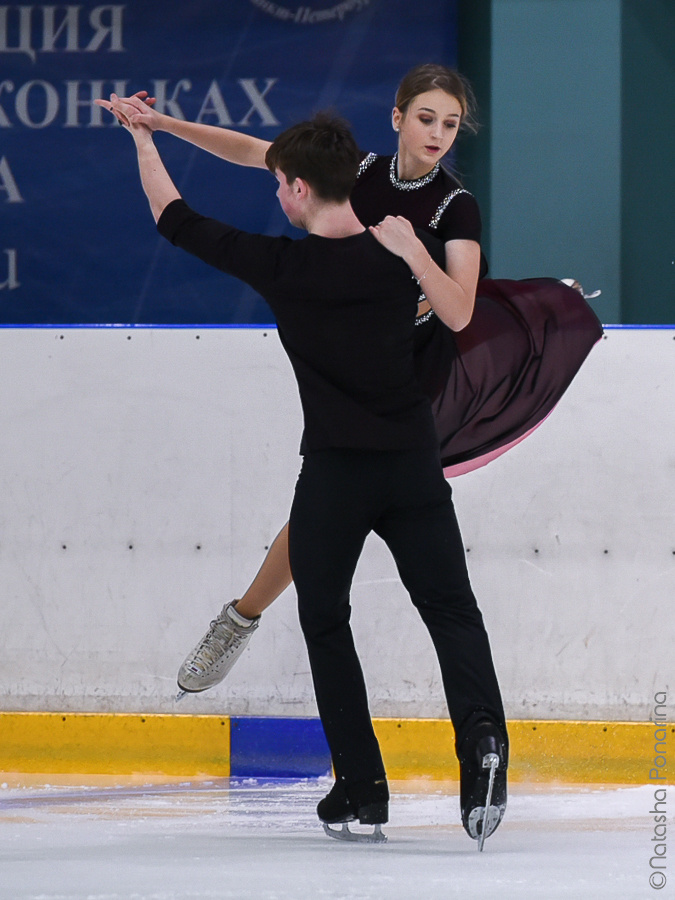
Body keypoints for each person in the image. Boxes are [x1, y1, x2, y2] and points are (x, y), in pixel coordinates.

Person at [98, 65, 602, 705]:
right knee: (324, 506)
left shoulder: (454, 205)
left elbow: (459, 310)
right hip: (347, 352)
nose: (438, 134)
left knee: (328, 506)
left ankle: (240, 618)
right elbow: (258, 153)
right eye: (426, 118)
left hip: (416, 366)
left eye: (450, 125)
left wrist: (415, 261)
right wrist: (162, 125)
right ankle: (241, 620)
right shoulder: (356, 172)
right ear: (397, 116)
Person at [105, 99, 509, 846]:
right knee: (452, 612)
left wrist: (144, 140)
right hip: (413, 466)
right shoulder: (405, 248)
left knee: (325, 620)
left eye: (279, 184)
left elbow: (174, 218)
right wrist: (416, 255)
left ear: (295, 187)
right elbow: (459, 310)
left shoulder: (282, 265)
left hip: (335, 475)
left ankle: (361, 787)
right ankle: (484, 745)